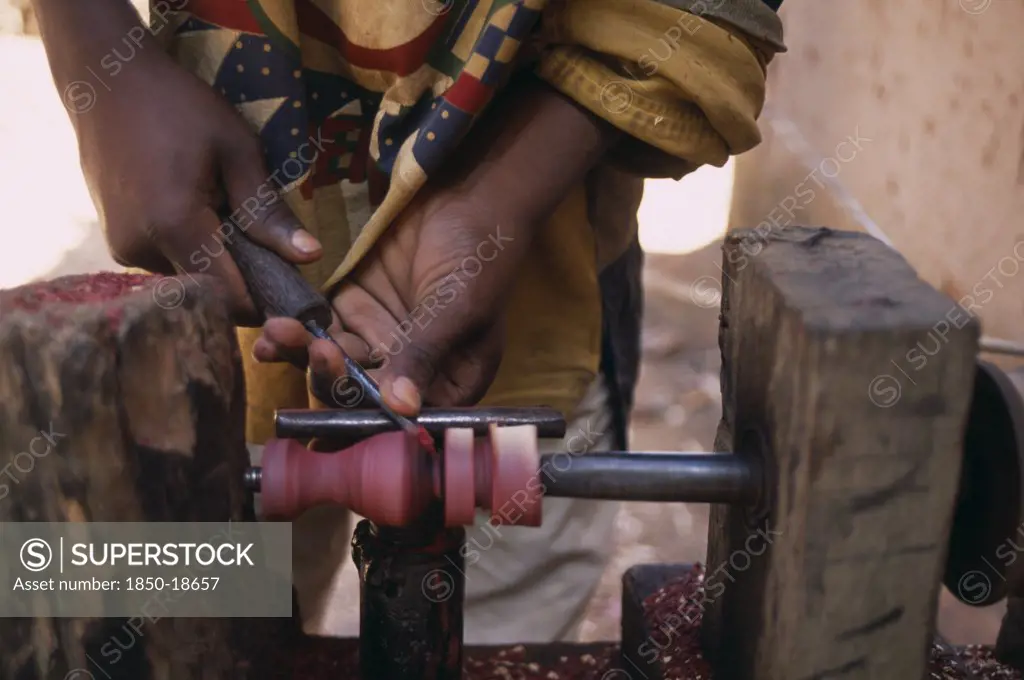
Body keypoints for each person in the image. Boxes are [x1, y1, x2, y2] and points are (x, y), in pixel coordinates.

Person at [33, 0, 785, 643]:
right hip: (212, 295)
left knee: (498, 631)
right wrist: (98, 58)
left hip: (537, 301)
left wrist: (502, 195)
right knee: (197, 628)